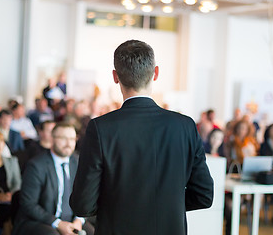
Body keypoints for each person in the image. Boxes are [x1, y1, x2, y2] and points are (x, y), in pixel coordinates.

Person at [70, 40, 214, 235]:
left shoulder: (100, 128)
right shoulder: (185, 126)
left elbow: (83, 204)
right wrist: (165, 206)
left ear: (115, 76)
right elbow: (204, 195)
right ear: (155, 73)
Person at [12, 123, 94, 235]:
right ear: (52, 139)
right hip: (40, 221)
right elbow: (28, 204)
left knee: (92, 232)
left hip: (72, 220)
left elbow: (85, 196)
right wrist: (58, 223)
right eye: (63, 138)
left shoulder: (79, 162)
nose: (68, 143)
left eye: (72, 139)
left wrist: (79, 220)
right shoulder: (36, 165)